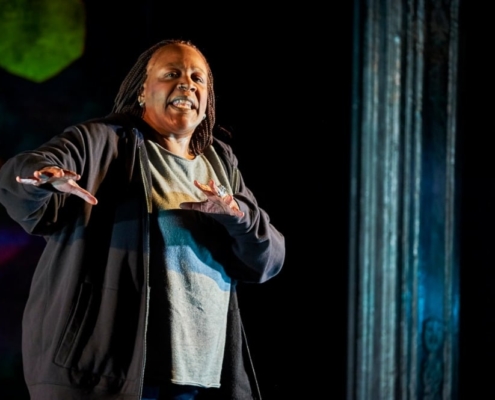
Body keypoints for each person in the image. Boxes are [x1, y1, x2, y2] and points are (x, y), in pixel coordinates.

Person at [0, 39, 285, 400]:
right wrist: (41, 176)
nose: (187, 84)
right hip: (113, 376)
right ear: (141, 91)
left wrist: (239, 217)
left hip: (200, 377)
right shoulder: (103, 143)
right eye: (172, 74)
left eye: (198, 78)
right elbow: (28, 176)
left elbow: (268, 260)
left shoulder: (220, 164)